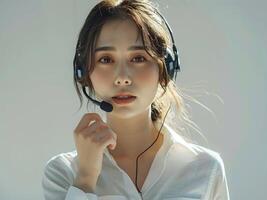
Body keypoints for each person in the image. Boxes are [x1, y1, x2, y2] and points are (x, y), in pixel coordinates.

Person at [41, 0, 230, 199]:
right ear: (84, 72)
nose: (122, 77)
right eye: (105, 59)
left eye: (138, 58)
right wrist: (86, 178)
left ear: (165, 69)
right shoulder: (62, 173)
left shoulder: (206, 169)